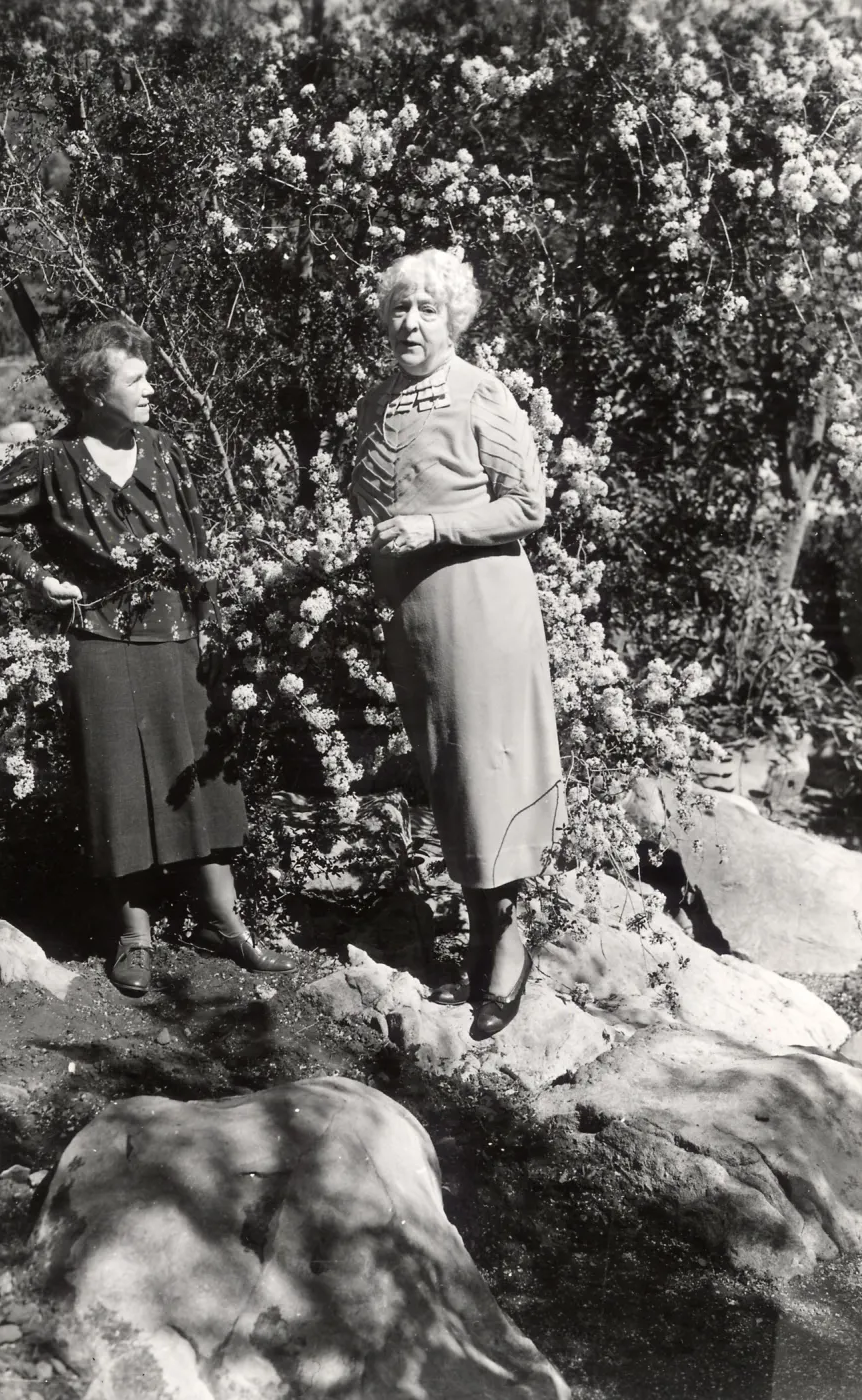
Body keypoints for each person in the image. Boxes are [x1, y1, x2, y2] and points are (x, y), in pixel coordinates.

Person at [0, 319, 294, 995]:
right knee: (118, 787)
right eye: (136, 378)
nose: (150, 388)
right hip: (100, 639)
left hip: (177, 637)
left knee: (202, 781)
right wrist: (39, 578)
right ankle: (133, 936)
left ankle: (225, 923)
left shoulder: (162, 449)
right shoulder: (51, 461)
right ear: (94, 390)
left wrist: (212, 622)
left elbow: (197, 542)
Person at [352, 249, 564, 1040]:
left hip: (480, 608)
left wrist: (434, 526)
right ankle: (481, 926)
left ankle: (504, 945)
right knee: (450, 776)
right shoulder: (377, 401)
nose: (409, 323)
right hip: (416, 619)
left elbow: (527, 507)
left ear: (455, 320)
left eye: (427, 310)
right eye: (399, 308)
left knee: (487, 775)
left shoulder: (481, 393)